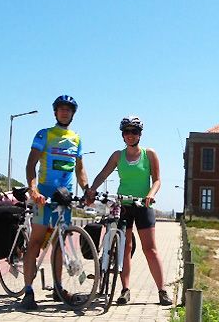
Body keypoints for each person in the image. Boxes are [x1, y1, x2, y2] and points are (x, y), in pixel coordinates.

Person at [85, 116, 173, 306]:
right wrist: (91, 190)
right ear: (122, 135)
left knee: (150, 249)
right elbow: (103, 173)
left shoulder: (149, 154)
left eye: (134, 132)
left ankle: (162, 290)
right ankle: (125, 290)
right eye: (127, 132)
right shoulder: (118, 155)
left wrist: (150, 194)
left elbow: (157, 180)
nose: (130, 135)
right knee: (125, 249)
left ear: (140, 134)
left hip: (143, 204)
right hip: (122, 204)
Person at [21, 94, 89, 310]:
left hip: (65, 199)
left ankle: (58, 288)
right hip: (45, 197)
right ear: (55, 112)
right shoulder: (45, 134)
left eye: (68, 110)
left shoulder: (77, 138)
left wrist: (87, 189)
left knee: (59, 245)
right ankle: (29, 291)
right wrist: (33, 190)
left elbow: (79, 169)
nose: (64, 112)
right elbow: (31, 164)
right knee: (36, 243)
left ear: (73, 114)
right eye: (61, 109)